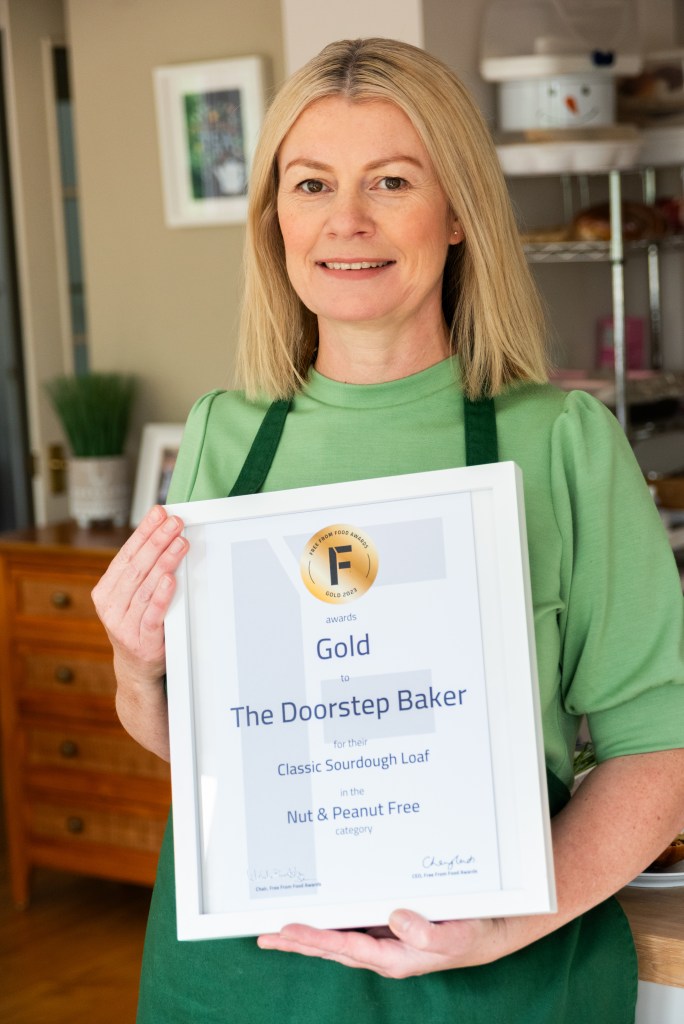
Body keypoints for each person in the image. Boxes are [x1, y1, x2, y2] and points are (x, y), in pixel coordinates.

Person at [92, 37, 684, 1024]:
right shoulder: (221, 437)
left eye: (391, 181)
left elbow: (660, 748)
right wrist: (132, 664)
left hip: (494, 980)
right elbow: (209, 755)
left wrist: (500, 926)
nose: (346, 220)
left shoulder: (562, 442)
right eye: (311, 184)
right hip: (247, 984)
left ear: (457, 214)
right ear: (275, 219)